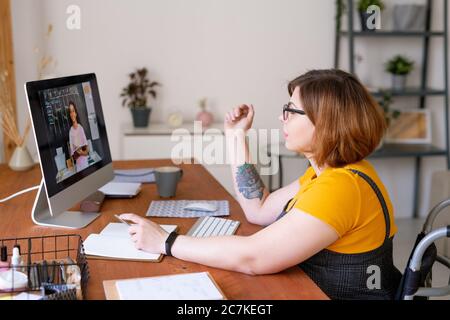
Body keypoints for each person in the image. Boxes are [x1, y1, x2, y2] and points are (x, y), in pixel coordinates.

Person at [120, 69, 402, 300]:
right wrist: (235, 137)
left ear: (325, 123)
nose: (282, 117)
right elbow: (259, 209)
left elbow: (252, 258)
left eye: (291, 110)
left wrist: (166, 242)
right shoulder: (329, 173)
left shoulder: (342, 188)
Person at [68, 101, 90, 172]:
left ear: (76, 113)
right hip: (78, 166)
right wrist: (77, 152)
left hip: (85, 164)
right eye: (70, 112)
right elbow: (73, 155)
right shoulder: (70, 132)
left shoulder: (80, 128)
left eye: (73, 111)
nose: (72, 114)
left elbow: (87, 151)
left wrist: (81, 152)